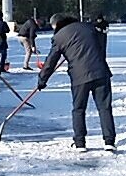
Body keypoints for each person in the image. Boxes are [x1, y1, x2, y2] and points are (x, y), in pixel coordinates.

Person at [37, 12, 116, 152]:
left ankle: (80, 143)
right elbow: (101, 44)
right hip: (100, 72)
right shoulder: (88, 27)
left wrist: (42, 80)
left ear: (57, 24)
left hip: (79, 77)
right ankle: (109, 141)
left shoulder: (59, 37)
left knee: (79, 109)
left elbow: (50, 62)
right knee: (104, 108)